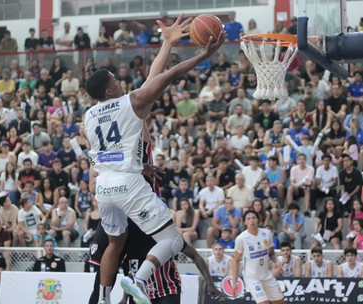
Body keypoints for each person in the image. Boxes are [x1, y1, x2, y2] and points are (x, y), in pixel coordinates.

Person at [84, 15, 225, 304]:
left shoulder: (89, 116)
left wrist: (167, 42)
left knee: (114, 243)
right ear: (109, 90)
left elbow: (108, 151)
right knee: (173, 241)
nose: (119, 80)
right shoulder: (130, 102)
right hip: (129, 185)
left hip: (105, 187)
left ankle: (103, 298)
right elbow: (164, 78)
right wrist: (204, 54)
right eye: (114, 80)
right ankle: (137, 282)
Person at [88, 217, 225, 304]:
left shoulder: (165, 238)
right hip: (141, 294)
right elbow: (130, 277)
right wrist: (124, 299)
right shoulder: (127, 248)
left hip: (167, 289)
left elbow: (196, 256)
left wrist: (210, 283)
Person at [232, 210, 285, 304]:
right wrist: (235, 281)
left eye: (253, 218)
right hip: (252, 277)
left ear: (258, 220)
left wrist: (276, 262)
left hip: (267, 275)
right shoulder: (241, 238)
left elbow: (271, 253)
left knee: (280, 302)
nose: (251, 221)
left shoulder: (267, 233)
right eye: (248, 219)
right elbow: (236, 260)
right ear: (245, 222)